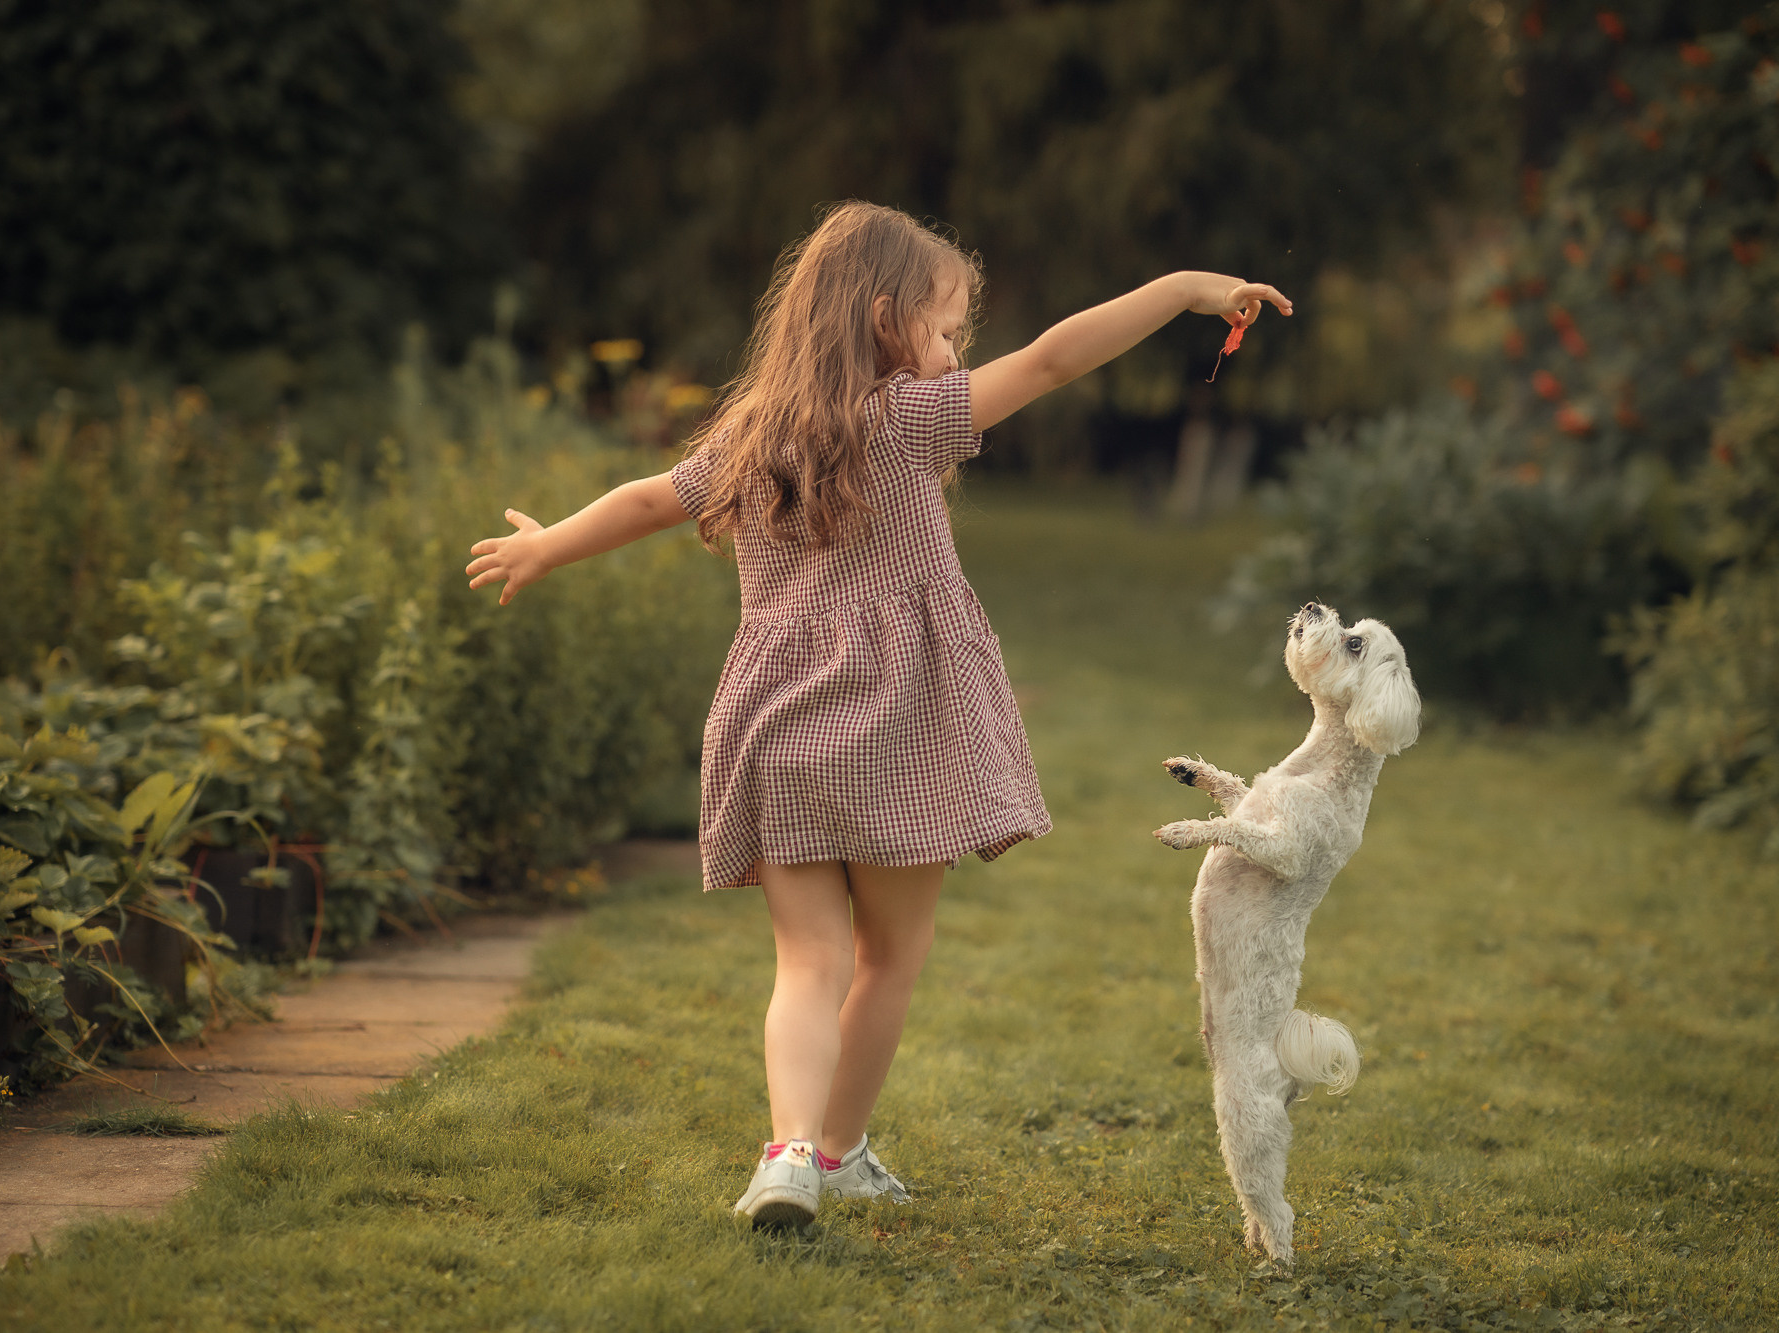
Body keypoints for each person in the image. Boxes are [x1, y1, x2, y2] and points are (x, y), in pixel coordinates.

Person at [467, 200, 1291, 1230]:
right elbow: (1046, 362)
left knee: (804, 962)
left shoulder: (750, 436)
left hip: (776, 728)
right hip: (895, 728)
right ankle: (838, 1148)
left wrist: (546, 547)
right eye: (946, 331)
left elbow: (642, 501)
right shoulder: (908, 418)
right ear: (885, 319)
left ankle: (785, 1157)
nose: (955, 354)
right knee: (887, 958)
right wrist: (1179, 291)